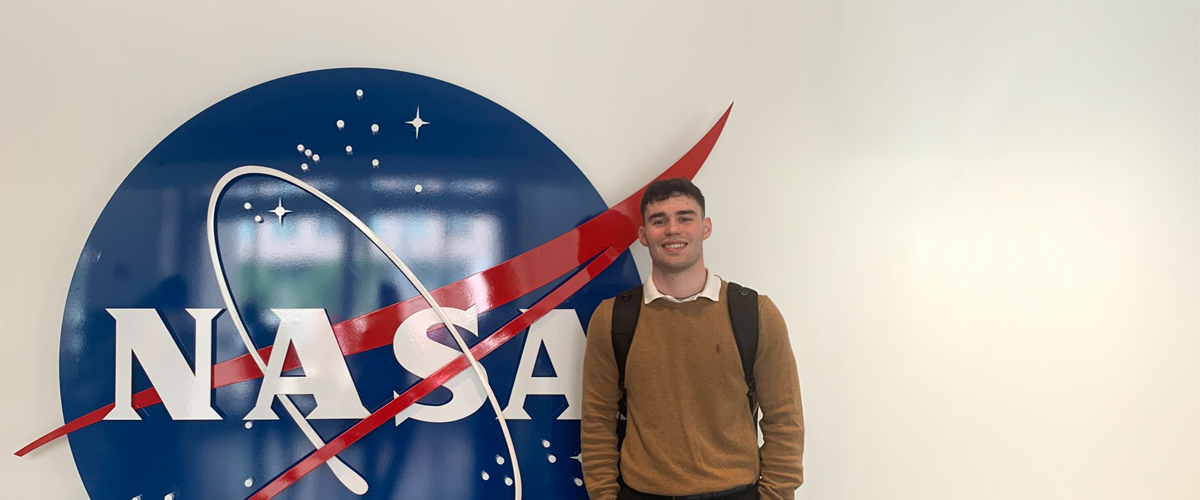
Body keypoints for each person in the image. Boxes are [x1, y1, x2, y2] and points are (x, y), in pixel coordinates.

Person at [581, 178, 804, 500]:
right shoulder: (612, 318)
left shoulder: (756, 313)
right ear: (643, 236)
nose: (673, 229)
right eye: (659, 220)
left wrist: (775, 495)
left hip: (737, 492)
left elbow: (785, 419)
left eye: (685, 218)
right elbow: (597, 420)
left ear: (706, 227)